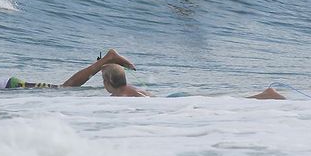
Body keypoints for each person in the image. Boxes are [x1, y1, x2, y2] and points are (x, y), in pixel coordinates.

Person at [0, 49, 135, 93]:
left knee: (64, 88)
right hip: (8, 84)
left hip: (9, 87)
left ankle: (107, 59)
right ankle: (105, 62)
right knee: (63, 88)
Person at [100, 65, 285, 100]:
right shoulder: (125, 90)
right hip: (174, 99)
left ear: (107, 81)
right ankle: (265, 95)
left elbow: (142, 98)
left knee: (225, 103)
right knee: (223, 101)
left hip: (174, 102)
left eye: (102, 79)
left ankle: (266, 95)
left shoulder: (121, 95)